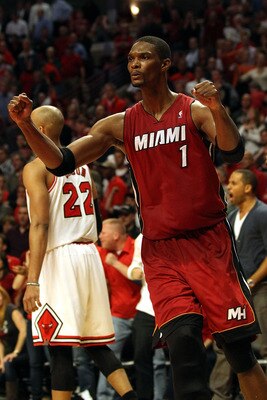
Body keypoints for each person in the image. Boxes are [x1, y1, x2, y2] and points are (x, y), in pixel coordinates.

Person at [8, 35, 267, 400]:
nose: (134, 64)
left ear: (164, 64)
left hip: (209, 243)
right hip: (161, 252)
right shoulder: (119, 124)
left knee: (239, 353)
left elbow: (233, 151)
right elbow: (61, 161)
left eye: (143, 57)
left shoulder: (194, 110)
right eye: (130, 58)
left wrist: (216, 107)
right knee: (183, 354)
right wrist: (26, 126)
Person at [17, 105, 138, 400]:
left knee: (58, 348)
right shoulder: (83, 165)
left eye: (29, 127)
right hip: (88, 254)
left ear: (41, 131)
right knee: (96, 343)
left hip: (59, 258)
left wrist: (32, 281)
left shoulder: (35, 167)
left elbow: (42, 224)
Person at [210, 169, 267, 399]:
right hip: (236, 292)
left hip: (260, 289)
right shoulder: (231, 216)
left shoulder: (262, 213)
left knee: (262, 347)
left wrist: (253, 280)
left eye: (234, 183)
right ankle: (220, 396)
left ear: (248, 187)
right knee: (227, 344)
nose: (229, 187)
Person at [96, 218, 140, 400]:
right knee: (108, 359)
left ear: (115, 235)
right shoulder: (103, 252)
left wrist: (115, 263)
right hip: (118, 315)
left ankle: (157, 397)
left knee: (156, 361)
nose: (99, 236)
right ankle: (103, 397)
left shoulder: (137, 246)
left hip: (144, 315)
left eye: (103, 233)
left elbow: (139, 277)